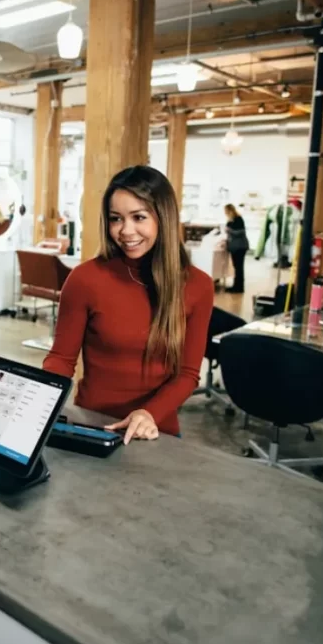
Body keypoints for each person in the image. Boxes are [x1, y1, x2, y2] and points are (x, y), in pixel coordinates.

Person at [43, 166, 214, 442]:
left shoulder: (198, 286)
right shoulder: (85, 279)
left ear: (164, 217)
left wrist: (148, 413)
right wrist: (39, 400)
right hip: (93, 426)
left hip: (156, 432)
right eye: (116, 219)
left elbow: (188, 374)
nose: (125, 231)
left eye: (139, 217)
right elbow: (61, 360)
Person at [223, 203, 249, 293]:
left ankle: (239, 287)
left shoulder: (238, 219)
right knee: (236, 267)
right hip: (235, 247)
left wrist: (229, 230)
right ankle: (236, 285)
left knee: (239, 267)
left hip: (240, 247)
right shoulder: (230, 221)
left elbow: (240, 232)